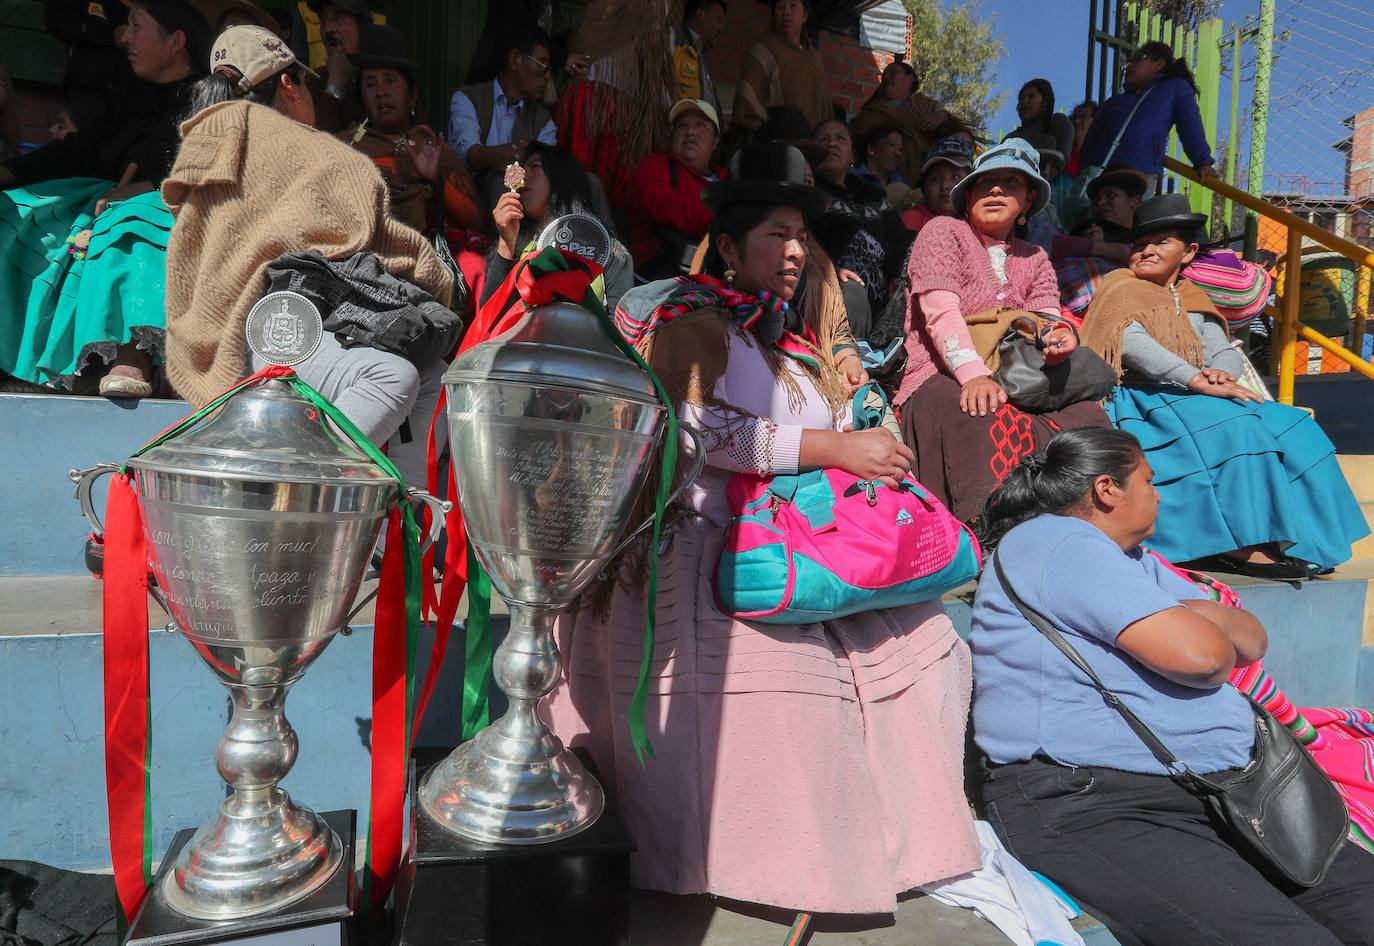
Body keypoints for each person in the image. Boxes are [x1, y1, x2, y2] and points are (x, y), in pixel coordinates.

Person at [544, 141, 981, 915]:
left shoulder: (783, 337)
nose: (794, 251)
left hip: (801, 538)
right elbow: (697, 429)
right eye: (777, 233)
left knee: (929, 640)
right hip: (710, 540)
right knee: (791, 692)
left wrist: (862, 431)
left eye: (799, 236)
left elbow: (815, 419)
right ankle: (764, 860)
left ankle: (900, 842)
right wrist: (834, 447)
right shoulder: (689, 318)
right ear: (729, 245)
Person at [970, 425, 1374, 946]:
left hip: (1231, 790)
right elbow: (1205, 658)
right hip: (1098, 800)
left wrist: (1190, 613)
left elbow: (1252, 638)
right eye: (1148, 480)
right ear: (1106, 490)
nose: (1158, 494)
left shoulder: (1132, 561)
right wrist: (1200, 624)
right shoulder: (1054, 540)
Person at [162, 25, 453, 484]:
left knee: (433, 375)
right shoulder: (317, 154)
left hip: (210, 343)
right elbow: (384, 247)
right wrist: (435, 276)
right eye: (304, 81)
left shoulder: (203, 148)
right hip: (272, 339)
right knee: (392, 376)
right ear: (287, 84)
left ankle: (395, 538)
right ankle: (289, 494)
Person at [1080, 194, 1368, 578]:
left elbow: (1222, 347)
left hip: (1196, 392)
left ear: (1188, 252)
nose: (1147, 250)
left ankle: (1306, 541)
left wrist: (1221, 374)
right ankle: (1241, 546)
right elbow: (1128, 343)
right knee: (1238, 426)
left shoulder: (1194, 296)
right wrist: (1195, 378)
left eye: (1161, 242)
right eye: (1139, 244)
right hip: (1141, 396)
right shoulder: (1120, 286)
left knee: (1293, 425)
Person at [0, 0, 210, 398]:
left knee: (132, 218)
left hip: (165, 209)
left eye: (136, 25)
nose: (126, 37)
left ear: (176, 41)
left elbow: (210, 169)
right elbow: (77, 151)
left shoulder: (210, 98)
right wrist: (9, 175)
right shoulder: (128, 96)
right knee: (13, 213)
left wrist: (148, 187)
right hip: (97, 202)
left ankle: (132, 356)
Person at [895, 138, 1109, 523]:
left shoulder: (1035, 256)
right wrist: (974, 376)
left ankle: (1088, 529)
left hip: (1019, 378)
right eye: (984, 183)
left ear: (1027, 201)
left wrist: (1060, 337)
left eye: (1011, 182)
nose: (996, 189)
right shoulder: (943, 232)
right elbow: (940, 312)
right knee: (979, 411)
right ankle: (991, 536)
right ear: (968, 197)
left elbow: (1047, 317)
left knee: (1090, 418)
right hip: (940, 373)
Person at [340, 25, 482, 238]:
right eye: (370, 84)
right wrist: (366, 182)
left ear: (412, 96)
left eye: (390, 80)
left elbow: (477, 222)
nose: (381, 92)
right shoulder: (343, 148)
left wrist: (436, 182)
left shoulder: (437, 152)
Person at [560, 0, 677, 212]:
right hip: (595, 102)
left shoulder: (656, 10)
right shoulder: (650, 8)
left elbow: (658, 60)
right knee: (582, 182)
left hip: (625, 108)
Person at [485, 142, 632, 311]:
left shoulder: (609, 252)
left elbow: (620, 329)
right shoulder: (516, 246)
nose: (523, 177)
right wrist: (506, 243)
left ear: (561, 177)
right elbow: (487, 321)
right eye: (522, 168)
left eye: (534, 166)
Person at [1080, 41, 1216, 192]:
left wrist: (1202, 161)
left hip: (1138, 174)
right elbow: (1091, 140)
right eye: (1129, 62)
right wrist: (1083, 169)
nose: (1129, 65)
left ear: (1158, 64)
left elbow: (1190, 124)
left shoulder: (1174, 88)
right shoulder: (1113, 102)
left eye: (1139, 59)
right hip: (1097, 176)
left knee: (1129, 215)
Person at [449, 19, 557, 207]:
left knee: (590, 182)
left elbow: (545, 172)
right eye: (542, 63)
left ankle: (606, 237)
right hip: (474, 197)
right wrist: (496, 159)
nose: (547, 76)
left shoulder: (543, 120)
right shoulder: (468, 98)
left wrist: (510, 165)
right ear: (515, 59)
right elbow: (466, 151)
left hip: (531, 195)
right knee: (502, 182)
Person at [811, 118, 911, 317]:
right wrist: (829, 271)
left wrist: (896, 276)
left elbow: (901, 241)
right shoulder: (811, 194)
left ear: (852, 156)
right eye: (823, 139)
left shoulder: (874, 197)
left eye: (840, 138)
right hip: (835, 293)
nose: (832, 144)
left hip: (881, 298)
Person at [627, 98, 726, 277]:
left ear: (716, 141)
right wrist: (724, 220)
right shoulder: (655, 165)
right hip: (654, 276)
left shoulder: (728, 180)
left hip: (713, 274)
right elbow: (666, 208)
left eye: (700, 125)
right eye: (681, 126)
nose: (690, 131)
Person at [729, 0, 833, 137]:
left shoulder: (815, 58)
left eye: (793, 5)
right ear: (773, 15)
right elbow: (745, 114)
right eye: (780, 7)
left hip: (814, 147)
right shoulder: (763, 52)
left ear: (805, 16)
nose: (786, 12)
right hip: (777, 147)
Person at [851, 58, 956, 186]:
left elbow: (954, 127)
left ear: (910, 78)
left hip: (925, 180)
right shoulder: (870, 113)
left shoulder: (926, 105)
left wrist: (942, 117)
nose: (887, 78)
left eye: (893, 72)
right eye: (884, 75)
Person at [303, 0, 369, 133]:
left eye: (338, 19)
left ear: (362, 27)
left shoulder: (383, 76)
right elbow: (313, 143)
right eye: (323, 20)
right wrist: (334, 86)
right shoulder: (313, 82)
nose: (327, 29)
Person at [900, 133, 974, 235]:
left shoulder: (978, 224)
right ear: (924, 188)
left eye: (955, 177)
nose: (945, 185)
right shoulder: (912, 220)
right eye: (936, 179)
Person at [671, 0, 725, 117]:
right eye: (718, 19)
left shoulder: (703, 62)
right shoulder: (673, 38)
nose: (720, 29)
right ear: (701, 14)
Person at [1006, 79, 1073, 159]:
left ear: (1045, 102)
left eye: (1031, 96)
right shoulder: (1011, 137)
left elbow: (1060, 159)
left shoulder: (1058, 122)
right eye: (1021, 98)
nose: (1024, 101)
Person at [853, 120, 908, 207]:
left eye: (900, 149)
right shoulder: (852, 178)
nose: (898, 153)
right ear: (871, 149)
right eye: (891, 145)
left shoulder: (900, 185)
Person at [1064, 100, 1095, 177]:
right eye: (1074, 117)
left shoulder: (1097, 156)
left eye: (1083, 116)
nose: (1076, 121)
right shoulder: (1064, 154)